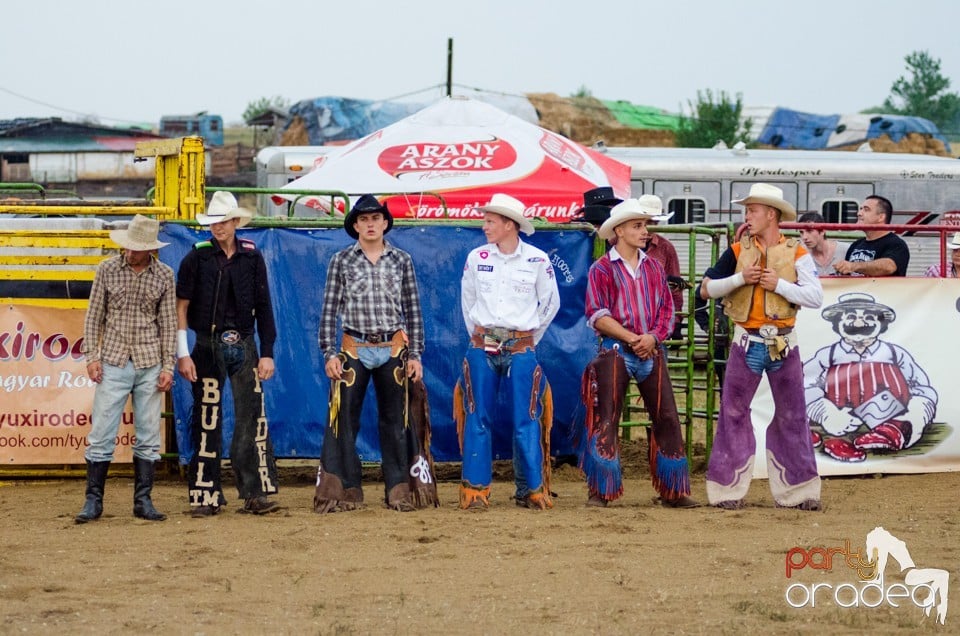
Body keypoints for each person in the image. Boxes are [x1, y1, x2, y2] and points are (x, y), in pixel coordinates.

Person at [699, 183, 823, 510]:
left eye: (752, 210)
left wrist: (777, 284)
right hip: (754, 340)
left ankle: (796, 492)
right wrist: (742, 279)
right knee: (741, 412)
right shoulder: (739, 251)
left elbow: (815, 297)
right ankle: (733, 490)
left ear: (771, 215)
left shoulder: (796, 252)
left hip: (776, 341)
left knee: (789, 414)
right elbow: (706, 289)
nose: (747, 216)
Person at [314, 194, 436, 513]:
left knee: (396, 420)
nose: (370, 224)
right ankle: (347, 489)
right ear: (355, 225)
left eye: (375, 219)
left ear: (384, 223)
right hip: (353, 347)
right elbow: (329, 310)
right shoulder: (341, 260)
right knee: (344, 419)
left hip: (393, 347)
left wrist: (415, 355)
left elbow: (413, 310)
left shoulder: (402, 260)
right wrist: (329, 353)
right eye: (363, 219)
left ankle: (398, 489)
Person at [579, 196, 699, 508]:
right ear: (618, 230)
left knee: (666, 417)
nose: (644, 231)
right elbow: (597, 314)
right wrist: (638, 338)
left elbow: (666, 311)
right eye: (637, 225)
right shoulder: (601, 269)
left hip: (642, 348)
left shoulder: (654, 269)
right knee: (608, 417)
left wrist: (651, 337)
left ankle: (672, 490)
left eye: (644, 225)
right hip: (619, 349)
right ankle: (602, 489)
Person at [176, 191, 280, 517]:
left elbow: (263, 307)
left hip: (243, 343)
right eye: (214, 222)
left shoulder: (252, 257)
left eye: (223, 222)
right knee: (208, 417)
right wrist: (183, 353)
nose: (218, 228)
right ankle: (206, 494)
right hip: (206, 343)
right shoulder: (197, 257)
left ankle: (254, 492)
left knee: (251, 416)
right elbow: (181, 306)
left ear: (235, 223)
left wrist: (267, 353)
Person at [454, 193, 560, 510]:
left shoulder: (538, 260)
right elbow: (467, 301)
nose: (484, 226)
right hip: (483, 343)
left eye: (490, 221)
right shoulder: (476, 258)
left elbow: (551, 303)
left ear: (509, 224)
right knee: (477, 415)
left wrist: (529, 338)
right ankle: (475, 491)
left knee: (526, 418)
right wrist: (479, 333)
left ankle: (530, 490)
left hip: (521, 345)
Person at [76, 214, 175, 523]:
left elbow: (169, 323)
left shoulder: (164, 276)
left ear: (149, 249)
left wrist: (168, 364)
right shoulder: (106, 269)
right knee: (102, 431)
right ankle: (96, 500)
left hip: (148, 360)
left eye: (136, 248)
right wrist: (92, 356)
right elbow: (94, 316)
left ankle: (140, 500)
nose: (130, 252)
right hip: (115, 359)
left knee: (147, 434)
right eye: (129, 247)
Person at [834, 195, 909, 276]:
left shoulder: (896, 244)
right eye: (860, 209)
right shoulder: (856, 244)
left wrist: (854, 266)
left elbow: (889, 267)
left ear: (881, 217)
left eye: (866, 209)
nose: (859, 213)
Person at [797, 212, 850, 276]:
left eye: (809, 231)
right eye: (801, 232)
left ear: (822, 231)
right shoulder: (801, 254)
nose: (804, 237)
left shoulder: (845, 250)